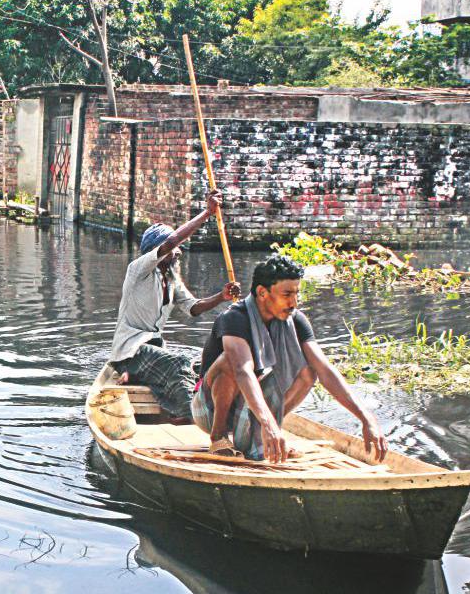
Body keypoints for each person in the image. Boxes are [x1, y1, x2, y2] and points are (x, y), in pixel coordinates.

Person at [193, 253, 388, 463]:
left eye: (296, 294)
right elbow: (243, 371)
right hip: (209, 410)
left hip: (254, 408)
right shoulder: (234, 317)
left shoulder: (295, 320)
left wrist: (366, 418)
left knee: (309, 370)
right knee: (230, 360)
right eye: (287, 294)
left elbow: (324, 369)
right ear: (262, 293)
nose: (293, 302)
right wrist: (267, 424)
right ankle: (219, 437)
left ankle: (271, 431)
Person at [108, 190, 241, 417]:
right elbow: (172, 242)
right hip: (130, 352)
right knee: (179, 362)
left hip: (154, 349)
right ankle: (193, 415)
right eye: (173, 250)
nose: (178, 253)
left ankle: (203, 405)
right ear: (158, 252)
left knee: (201, 365)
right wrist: (206, 213)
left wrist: (222, 296)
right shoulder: (138, 270)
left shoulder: (170, 277)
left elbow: (193, 308)